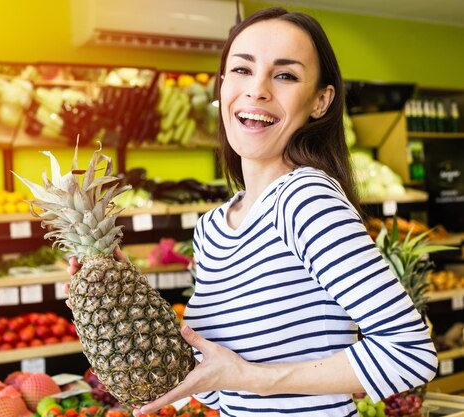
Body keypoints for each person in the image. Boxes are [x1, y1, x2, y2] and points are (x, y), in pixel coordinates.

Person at [69, 6, 437, 416]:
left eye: (285, 75)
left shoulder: (304, 200)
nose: (257, 90)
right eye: (242, 70)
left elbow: (410, 353)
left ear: (320, 101)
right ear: (222, 85)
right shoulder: (212, 229)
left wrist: (255, 378)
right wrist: (120, 291)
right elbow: (216, 388)